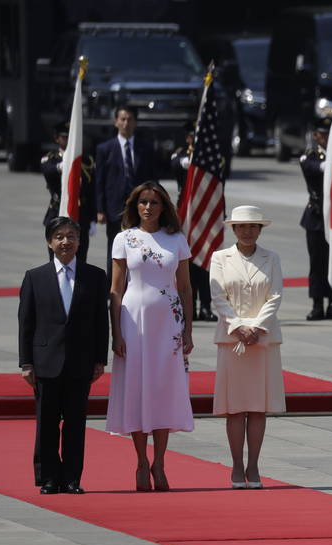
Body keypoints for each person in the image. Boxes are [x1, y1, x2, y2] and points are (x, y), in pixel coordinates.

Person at [105, 181, 195, 492]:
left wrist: (188, 329)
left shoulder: (176, 240)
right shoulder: (124, 239)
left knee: (162, 390)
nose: (147, 207)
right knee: (137, 387)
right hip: (133, 321)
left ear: (163, 207)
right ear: (135, 206)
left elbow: (184, 288)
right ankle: (141, 461)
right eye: (142, 202)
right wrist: (116, 332)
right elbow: (116, 289)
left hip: (167, 323)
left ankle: (160, 462)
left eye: (154, 202)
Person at [18, 216, 109, 494]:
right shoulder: (35, 277)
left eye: (71, 236)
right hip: (45, 363)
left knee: (75, 423)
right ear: (49, 242)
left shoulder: (94, 276)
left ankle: (71, 478)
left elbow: (100, 321)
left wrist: (99, 359)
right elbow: (26, 323)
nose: (65, 242)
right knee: (47, 424)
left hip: (80, 362)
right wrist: (26, 362)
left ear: (80, 242)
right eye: (59, 236)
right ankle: (48, 477)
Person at [210, 205, 285, 489]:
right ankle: (236, 464)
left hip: (262, 338)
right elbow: (217, 295)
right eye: (241, 227)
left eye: (252, 227)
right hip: (232, 339)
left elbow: (275, 295)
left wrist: (255, 327)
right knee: (235, 407)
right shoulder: (220, 257)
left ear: (260, 230)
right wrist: (239, 326)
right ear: (233, 229)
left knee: (257, 407)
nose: (247, 231)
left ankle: (253, 464)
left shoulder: (272, 258)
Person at [300, 119, 332, 321]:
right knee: (317, 262)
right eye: (322, 134)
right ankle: (316, 304)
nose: (326, 137)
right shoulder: (310, 156)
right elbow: (314, 168)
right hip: (316, 216)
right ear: (316, 136)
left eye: (329, 133)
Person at [95, 106, 154, 272]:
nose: (126, 123)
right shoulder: (105, 149)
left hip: (140, 210)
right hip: (114, 209)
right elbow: (99, 181)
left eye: (129, 119)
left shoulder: (145, 148)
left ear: (135, 123)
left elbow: (152, 180)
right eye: (122, 119)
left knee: (140, 249)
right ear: (116, 122)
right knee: (115, 251)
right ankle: (113, 291)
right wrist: (100, 209)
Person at [170, 121, 217, 323]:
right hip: (186, 215)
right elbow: (179, 164)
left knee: (205, 263)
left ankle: (206, 305)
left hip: (205, 214)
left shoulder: (212, 155)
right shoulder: (180, 155)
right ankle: (192, 305)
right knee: (187, 262)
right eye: (193, 137)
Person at [41, 121, 95, 263]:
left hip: (80, 213)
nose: (68, 140)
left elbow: (91, 190)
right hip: (58, 209)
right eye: (64, 137)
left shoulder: (86, 160)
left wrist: (92, 218)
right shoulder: (51, 158)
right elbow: (48, 171)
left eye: (70, 137)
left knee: (80, 257)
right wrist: (64, 164)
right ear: (57, 138)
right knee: (56, 257)